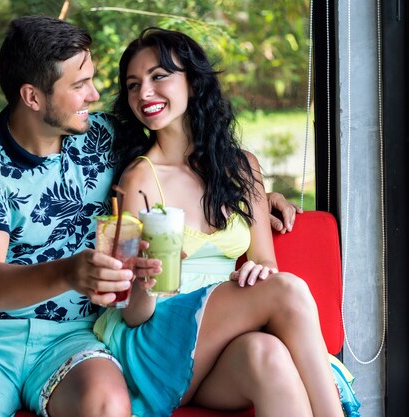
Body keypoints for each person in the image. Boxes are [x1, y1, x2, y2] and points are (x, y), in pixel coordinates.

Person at [0, 16, 304, 417]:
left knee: (108, 406)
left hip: (74, 336)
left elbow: (184, 157)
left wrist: (256, 195)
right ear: (32, 97)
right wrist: (68, 273)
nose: (95, 95)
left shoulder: (102, 136)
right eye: (79, 86)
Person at [93, 27, 346, 417]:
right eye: (132, 85)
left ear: (193, 83)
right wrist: (142, 279)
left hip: (222, 344)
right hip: (156, 340)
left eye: (159, 76)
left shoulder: (243, 169)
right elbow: (133, 312)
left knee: (268, 356)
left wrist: (250, 281)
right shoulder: (139, 180)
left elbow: (266, 263)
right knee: (289, 290)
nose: (144, 93)